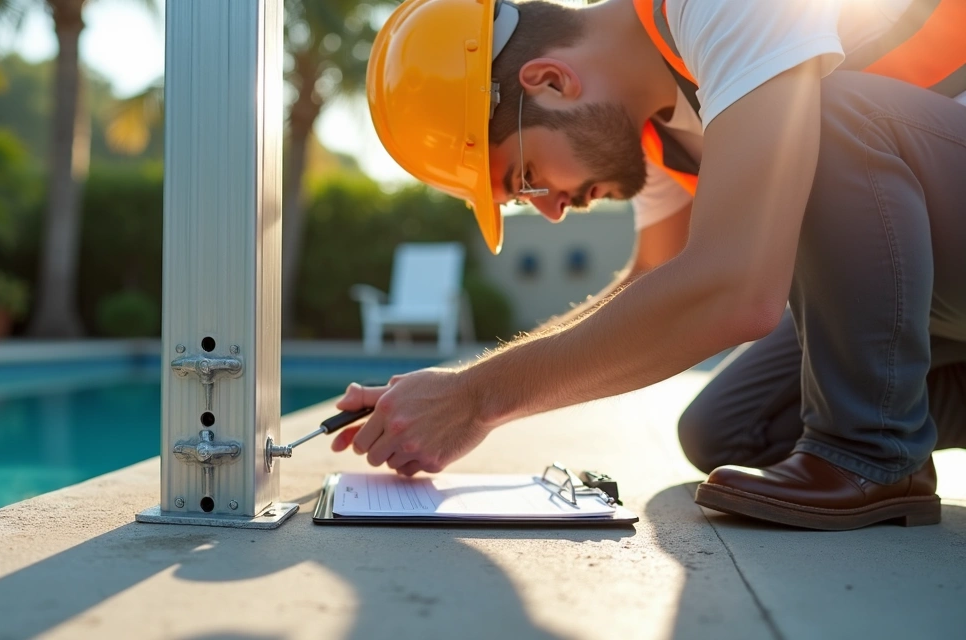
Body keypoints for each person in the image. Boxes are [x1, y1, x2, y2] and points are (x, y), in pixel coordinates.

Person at [333, 0, 966, 530]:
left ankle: (872, 454)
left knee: (823, 111)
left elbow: (734, 291)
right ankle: (871, 432)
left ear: (550, 82)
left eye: (525, 177)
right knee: (728, 430)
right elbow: (655, 289)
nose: (551, 211)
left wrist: (476, 400)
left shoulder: (720, 9)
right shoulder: (663, 128)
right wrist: (459, 386)